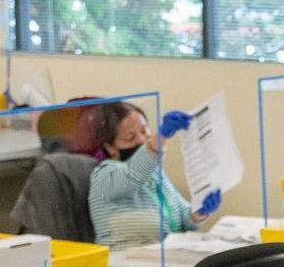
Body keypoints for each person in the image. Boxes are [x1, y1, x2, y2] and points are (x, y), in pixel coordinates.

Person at [85, 103, 225, 251]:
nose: (141, 139)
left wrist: (198, 211)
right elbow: (132, 176)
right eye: (130, 137)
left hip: (162, 262)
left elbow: (182, 217)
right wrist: (161, 137)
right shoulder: (104, 175)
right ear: (110, 148)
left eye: (144, 131)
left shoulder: (156, 173)